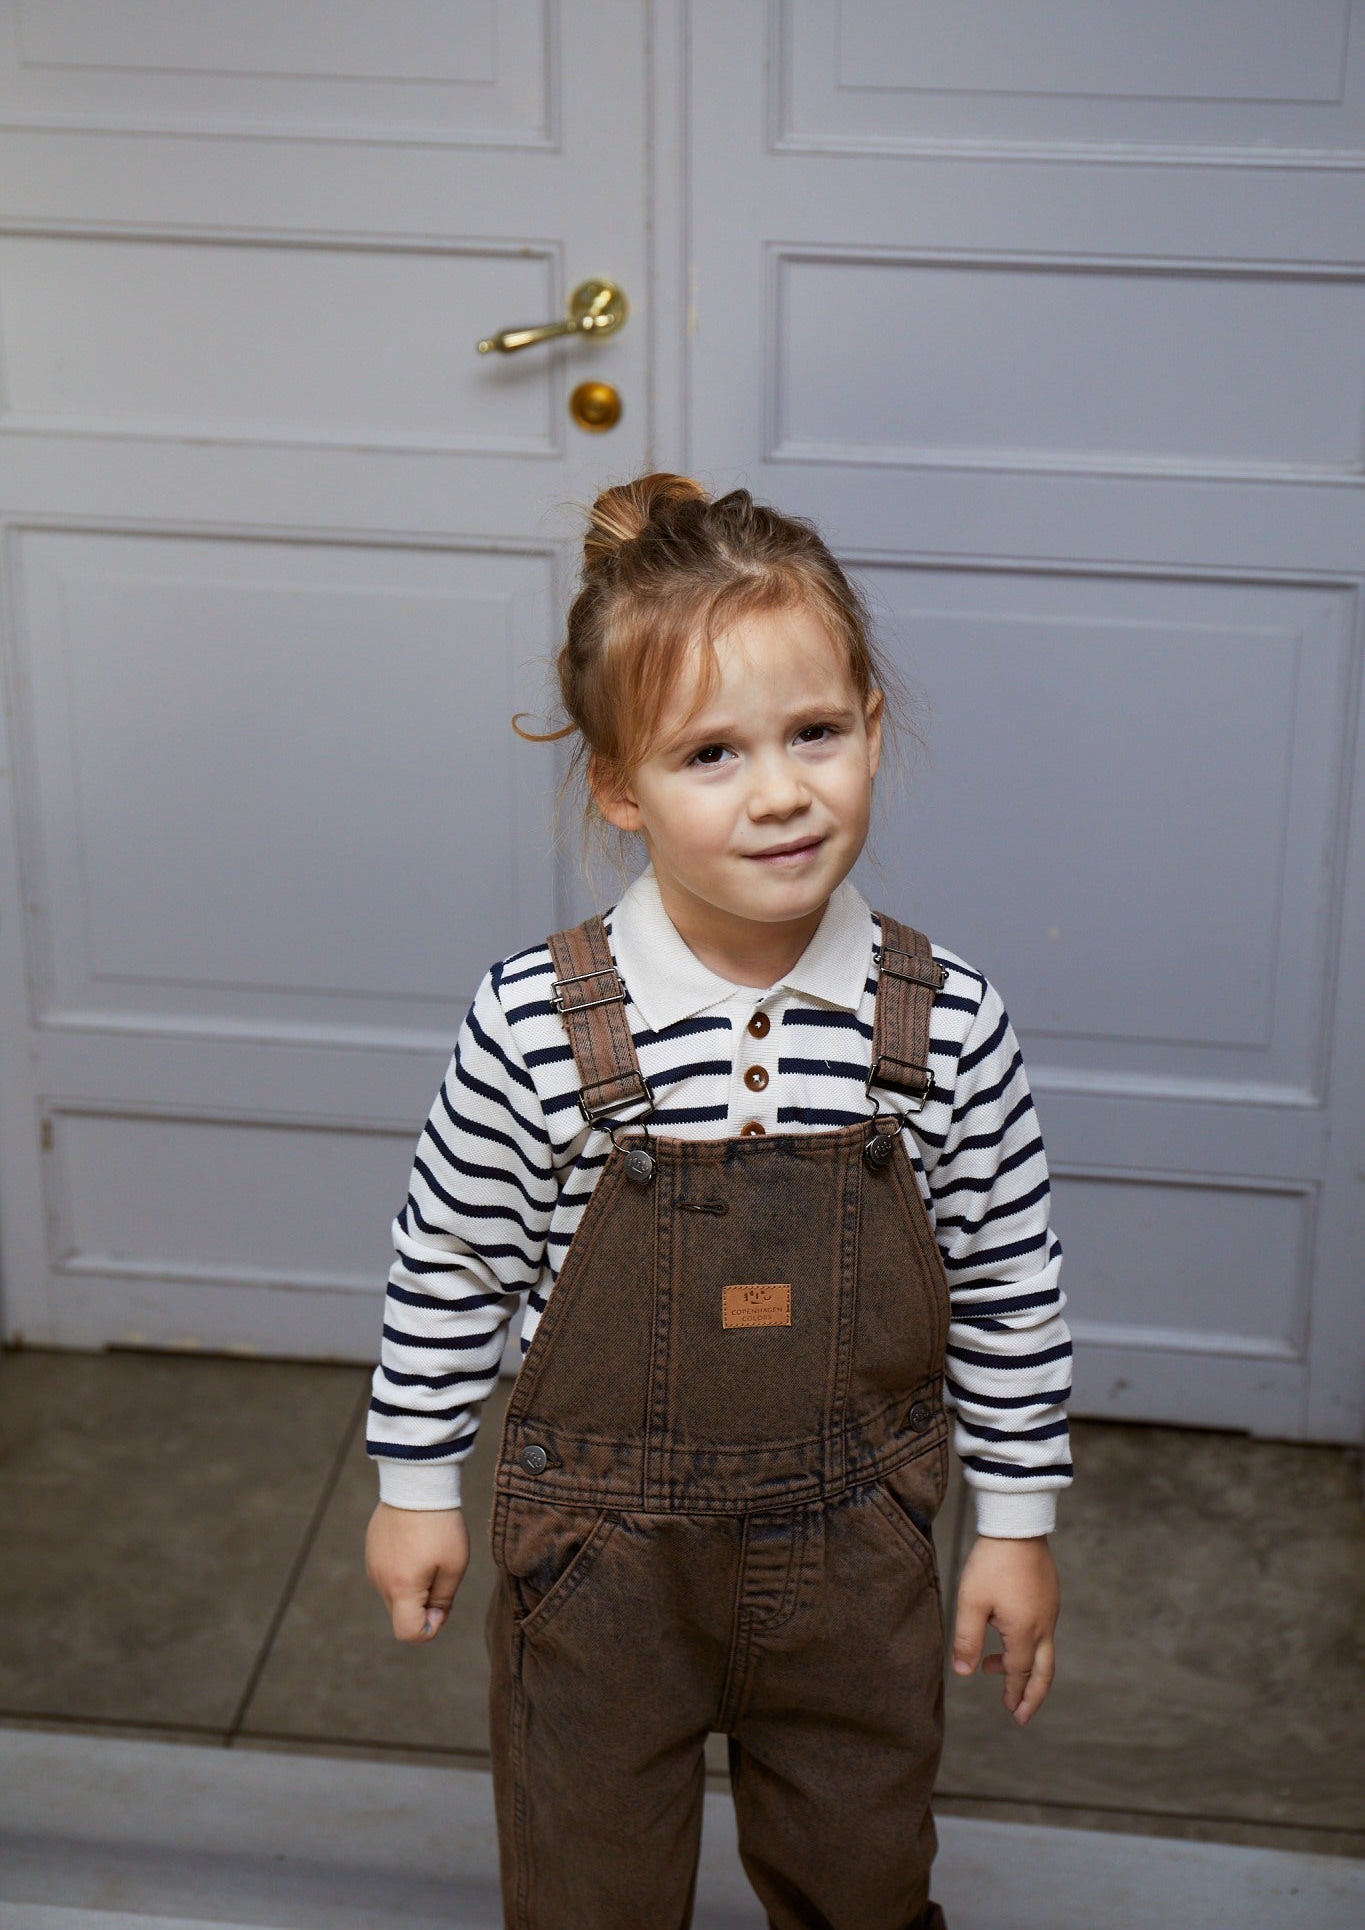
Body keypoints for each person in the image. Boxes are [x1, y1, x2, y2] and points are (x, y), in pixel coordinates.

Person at [364, 474, 1072, 1930]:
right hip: (602, 1574)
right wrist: (414, 1482)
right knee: (590, 1887)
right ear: (619, 785)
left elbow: (1007, 1283)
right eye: (708, 753)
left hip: (857, 1556)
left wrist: (1014, 1518)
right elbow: (450, 1262)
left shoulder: (943, 1024)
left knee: (862, 1880)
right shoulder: (535, 1025)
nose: (776, 791)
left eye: (813, 732)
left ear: (872, 724)